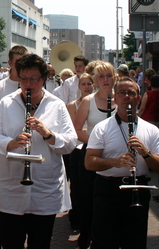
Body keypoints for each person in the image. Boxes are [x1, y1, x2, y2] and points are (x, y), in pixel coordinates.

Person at [0, 54, 77, 249]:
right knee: (11, 243)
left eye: (33, 79)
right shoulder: (6, 103)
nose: (28, 84)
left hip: (45, 186)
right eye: (24, 79)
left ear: (43, 79)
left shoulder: (56, 105)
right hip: (12, 186)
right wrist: (11, 142)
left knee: (41, 243)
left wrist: (47, 134)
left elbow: (70, 143)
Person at [85, 77, 159, 249]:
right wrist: (115, 162)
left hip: (138, 188)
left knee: (135, 242)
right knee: (103, 241)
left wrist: (145, 153)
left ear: (138, 98)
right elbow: (89, 163)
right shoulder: (102, 128)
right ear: (115, 98)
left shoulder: (151, 130)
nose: (126, 96)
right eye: (122, 92)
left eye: (131, 93)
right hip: (107, 191)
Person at [0, 45, 27, 249]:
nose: (21, 66)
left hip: (27, 150)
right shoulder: (0, 88)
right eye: (17, 62)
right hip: (2, 149)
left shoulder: (32, 86)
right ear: (9, 63)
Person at [72, 61, 116, 249]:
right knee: (88, 200)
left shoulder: (121, 99)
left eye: (109, 76)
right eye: (101, 76)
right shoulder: (88, 101)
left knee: (111, 202)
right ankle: (85, 237)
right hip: (91, 156)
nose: (105, 80)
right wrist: (96, 141)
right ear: (96, 80)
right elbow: (76, 130)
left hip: (114, 159)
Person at [64, 72, 93, 231]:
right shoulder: (72, 105)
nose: (87, 87)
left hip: (92, 147)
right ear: (79, 87)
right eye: (84, 84)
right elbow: (72, 130)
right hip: (77, 148)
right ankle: (75, 218)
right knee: (76, 184)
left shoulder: (97, 104)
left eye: (89, 84)